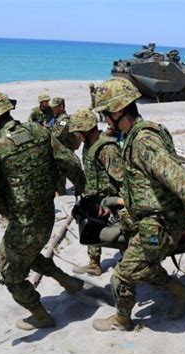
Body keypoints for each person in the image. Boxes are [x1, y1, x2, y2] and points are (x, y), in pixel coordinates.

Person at [90, 78, 185, 331]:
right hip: (152, 219)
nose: (104, 120)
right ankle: (180, 292)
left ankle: (123, 320)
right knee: (140, 264)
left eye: (105, 114)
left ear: (117, 111)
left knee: (123, 275)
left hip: (160, 224)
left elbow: (178, 179)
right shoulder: (138, 133)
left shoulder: (144, 141)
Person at [0, 90, 87, 330]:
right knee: (27, 254)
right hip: (47, 217)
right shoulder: (40, 132)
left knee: (9, 274)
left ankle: (40, 316)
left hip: (23, 225)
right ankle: (65, 280)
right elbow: (71, 162)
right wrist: (81, 188)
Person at [68, 108, 124, 276]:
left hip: (111, 198)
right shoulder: (88, 146)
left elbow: (121, 177)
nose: (77, 135)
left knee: (120, 232)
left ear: (87, 129)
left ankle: (126, 263)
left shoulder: (106, 148)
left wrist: (122, 202)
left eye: (78, 131)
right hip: (95, 196)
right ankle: (94, 264)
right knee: (90, 228)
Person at [51, 97, 81, 195]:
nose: (53, 109)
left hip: (64, 151)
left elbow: (56, 135)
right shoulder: (58, 119)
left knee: (63, 171)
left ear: (62, 107)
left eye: (55, 107)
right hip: (62, 150)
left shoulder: (63, 120)